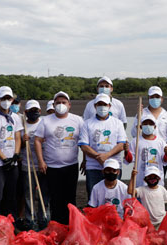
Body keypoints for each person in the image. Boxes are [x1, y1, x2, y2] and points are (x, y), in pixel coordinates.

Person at [35, 91, 85, 225]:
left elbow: (84, 142)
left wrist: (85, 160)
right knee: (55, 199)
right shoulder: (45, 120)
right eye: (58, 103)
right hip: (52, 167)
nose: (61, 105)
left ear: (69, 105)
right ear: (53, 104)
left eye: (63, 102)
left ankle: (72, 225)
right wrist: (41, 161)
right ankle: (57, 226)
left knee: (70, 198)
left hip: (71, 165)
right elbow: (38, 140)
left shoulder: (78, 120)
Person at [0, 86, 23, 223]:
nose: (6, 101)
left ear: (12, 99)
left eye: (8, 98)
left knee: (11, 196)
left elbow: (18, 137)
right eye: (3, 98)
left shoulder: (16, 118)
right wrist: (4, 158)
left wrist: (16, 155)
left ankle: (10, 223)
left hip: (12, 163)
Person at [80, 93, 127, 196]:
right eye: (99, 104)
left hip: (113, 166)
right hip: (93, 166)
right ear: (95, 106)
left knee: (113, 196)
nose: (102, 107)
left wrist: (107, 155)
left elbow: (121, 145)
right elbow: (84, 145)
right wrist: (98, 157)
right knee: (93, 195)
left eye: (105, 104)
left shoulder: (118, 123)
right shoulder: (87, 123)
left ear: (109, 106)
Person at [19, 100, 43, 228]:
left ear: (40, 111)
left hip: (42, 165)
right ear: (26, 112)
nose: (34, 113)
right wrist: (23, 141)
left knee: (43, 194)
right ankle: (30, 220)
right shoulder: (22, 126)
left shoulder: (43, 124)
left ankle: (43, 218)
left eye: (36, 110)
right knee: (29, 195)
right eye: (31, 111)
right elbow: (18, 146)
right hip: (27, 164)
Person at [129, 115, 167, 188]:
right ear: (141, 126)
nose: (148, 126)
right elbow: (129, 159)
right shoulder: (135, 141)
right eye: (145, 124)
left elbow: (165, 161)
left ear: (155, 127)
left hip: (157, 181)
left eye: (150, 124)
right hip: (140, 179)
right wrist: (126, 151)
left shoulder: (160, 142)